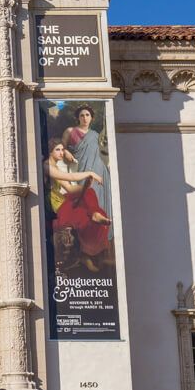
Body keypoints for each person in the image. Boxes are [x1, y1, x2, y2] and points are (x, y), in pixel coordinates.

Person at [45, 139, 111, 273]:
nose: (62, 153)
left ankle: (94, 217)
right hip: (53, 208)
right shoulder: (46, 166)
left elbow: (69, 188)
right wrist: (89, 174)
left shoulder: (54, 165)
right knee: (81, 214)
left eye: (63, 149)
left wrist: (86, 189)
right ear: (50, 152)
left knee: (87, 202)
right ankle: (93, 216)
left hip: (60, 203)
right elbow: (70, 176)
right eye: (58, 150)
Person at [62, 105, 114, 242]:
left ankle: (101, 234)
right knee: (85, 200)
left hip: (99, 170)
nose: (85, 118)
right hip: (82, 170)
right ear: (78, 118)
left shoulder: (96, 135)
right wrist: (66, 152)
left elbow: (105, 153)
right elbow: (62, 148)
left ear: (92, 118)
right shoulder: (70, 131)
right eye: (82, 115)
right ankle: (85, 237)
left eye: (87, 115)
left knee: (98, 199)